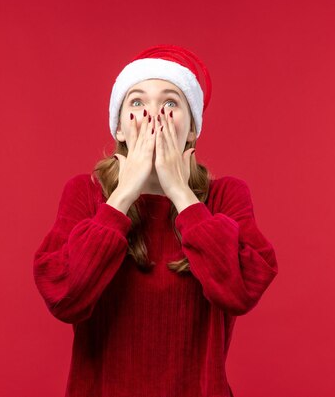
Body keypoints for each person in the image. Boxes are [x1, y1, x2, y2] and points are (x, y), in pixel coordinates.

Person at [33, 44, 279, 397]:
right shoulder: (86, 194)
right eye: (137, 102)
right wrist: (121, 198)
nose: (153, 116)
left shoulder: (225, 197)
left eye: (170, 103)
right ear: (119, 128)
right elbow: (64, 295)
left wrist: (181, 193)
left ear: (192, 129)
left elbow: (240, 291)